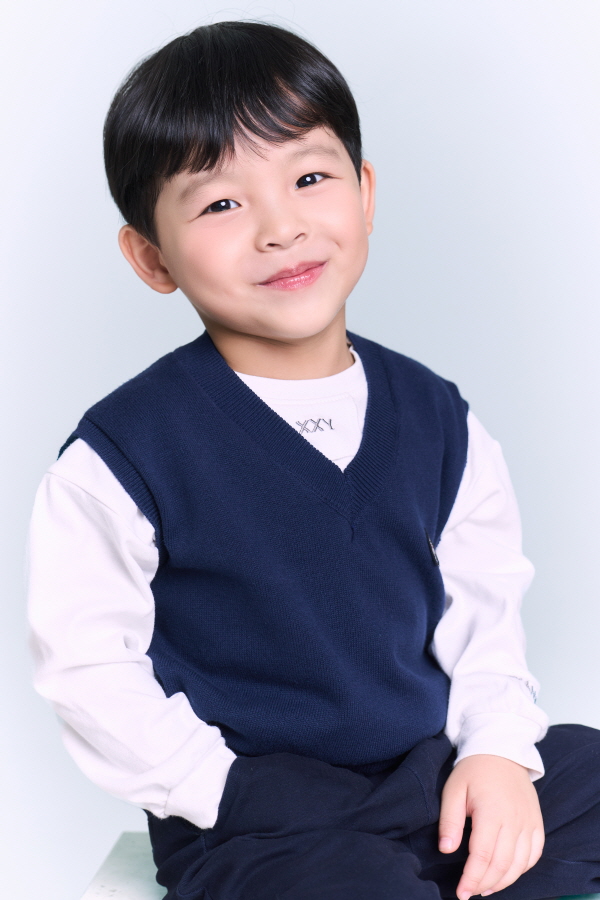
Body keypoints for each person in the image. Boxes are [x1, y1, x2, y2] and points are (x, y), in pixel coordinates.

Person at [27, 21, 600, 900]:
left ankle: (448, 861)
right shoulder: (124, 454)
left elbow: (485, 611)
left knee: (583, 766)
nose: (280, 227)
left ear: (364, 194)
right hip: (258, 816)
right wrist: (221, 789)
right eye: (221, 204)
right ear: (151, 255)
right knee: (337, 878)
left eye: (308, 179)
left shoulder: (438, 418)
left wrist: (494, 754)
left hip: (430, 779)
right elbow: (89, 669)